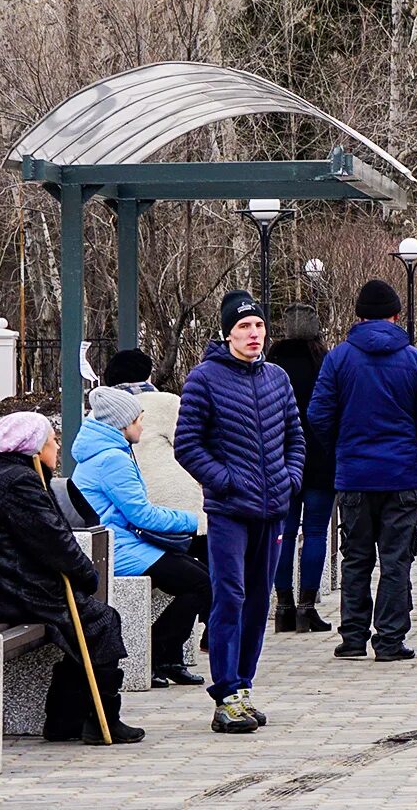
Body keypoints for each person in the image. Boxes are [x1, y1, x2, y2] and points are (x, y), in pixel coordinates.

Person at [0, 412, 142, 744]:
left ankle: (65, 718)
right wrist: (87, 576)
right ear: (35, 449)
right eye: (52, 441)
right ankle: (100, 717)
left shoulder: (3, 474)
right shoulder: (19, 481)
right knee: (102, 621)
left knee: (90, 625)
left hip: (1, 587)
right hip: (9, 592)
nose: (57, 447)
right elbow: (54, 540)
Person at [175, 290, 304, 735]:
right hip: (230, 511)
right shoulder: (204, 379)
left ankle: (244, 687)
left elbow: (295, 438)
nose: (254, 334)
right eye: (244, 326)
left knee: (258, 600)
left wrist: (290, 479)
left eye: (259, 326)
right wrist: (226, 480)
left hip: (272, 511)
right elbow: (187, 445)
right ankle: (225, 693)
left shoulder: (277, 378)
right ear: (227, 331)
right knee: (229, 597)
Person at [308, 279, 417, 663]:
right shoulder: (414, 360)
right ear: (395, 316)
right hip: (402, 478)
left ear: (358, 316)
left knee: (356, 559)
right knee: (395, 560)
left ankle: (353, 638)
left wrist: (341, 450)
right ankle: (389, 640)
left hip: (354, 477)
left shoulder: (338, 358)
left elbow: (318, 415)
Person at [72, 386, 209, 689]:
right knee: (202, 583)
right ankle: (156, 652)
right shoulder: (112, 459)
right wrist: (193, 520)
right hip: (115, 548)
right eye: (137, 421)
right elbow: (141, 515)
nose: (142, 427)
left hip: (119, 542)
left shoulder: (105, 452)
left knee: (198, 575)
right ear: (121, 424)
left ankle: (169, 657)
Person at [266, 305, 335, 634]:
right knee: (316, 533)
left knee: (284, 533)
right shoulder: (325, 363)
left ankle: (283, 607)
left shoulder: (270, 365)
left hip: (280, 461)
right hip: (320, 459)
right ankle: (307, 608)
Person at [103, 349, 204, 532]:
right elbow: (195, 448)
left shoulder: (98, 416)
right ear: (147, 375)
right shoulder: (166, 403)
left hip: (128, 511)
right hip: (179, 505)